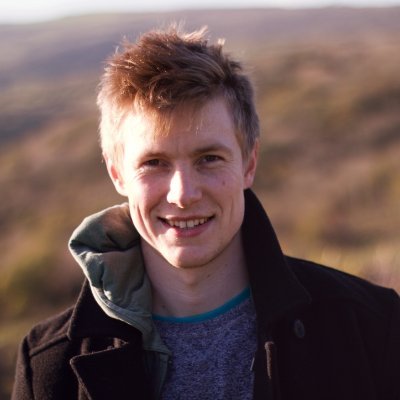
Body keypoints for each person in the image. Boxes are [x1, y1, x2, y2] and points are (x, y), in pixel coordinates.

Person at [12, 25, 400, 400]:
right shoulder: (48, 364)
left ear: (249, 163)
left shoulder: (374, 328)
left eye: (209, 158)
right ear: (117, 174)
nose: (183, 194)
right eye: (154, 163)